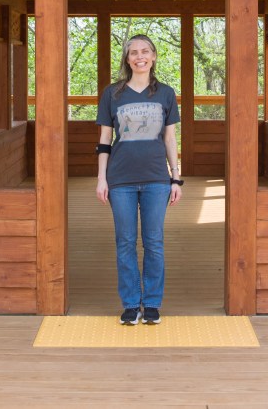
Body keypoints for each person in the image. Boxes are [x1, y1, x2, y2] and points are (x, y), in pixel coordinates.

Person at [96, 34, 182, 325]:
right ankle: (131, 304)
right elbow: (105, 139)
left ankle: (153, 303)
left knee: (154, 242)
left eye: (145, 51)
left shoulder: (166, 94)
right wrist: (101, 179)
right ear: (127, 58)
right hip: (120, 180)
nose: (139, 56)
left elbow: (170, 139)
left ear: (154, 56)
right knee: (125, 242)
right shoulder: (113, 94)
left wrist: (176, 177)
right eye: (133, 52)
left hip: (157, 179)